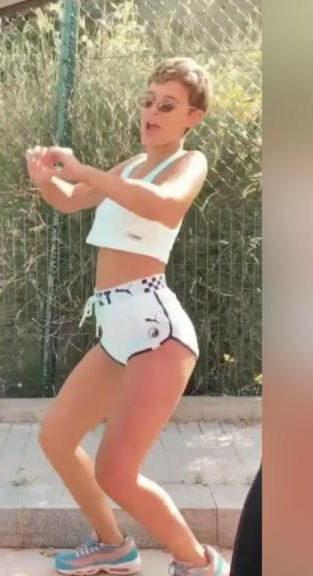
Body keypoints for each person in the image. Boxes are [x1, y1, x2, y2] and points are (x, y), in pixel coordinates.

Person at [25, 57, 228, 576]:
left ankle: (199, 564)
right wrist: (45, 178)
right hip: (116, 331)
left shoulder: (189, 162)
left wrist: (87, 171)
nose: (152, 112)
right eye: (148, 101)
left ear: (193, 117)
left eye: (167, 105)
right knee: (56, 439)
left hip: (157, 334)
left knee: (117, 472)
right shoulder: (131, 166)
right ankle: (113, 546)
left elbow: (165, 206)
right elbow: (70, 200)